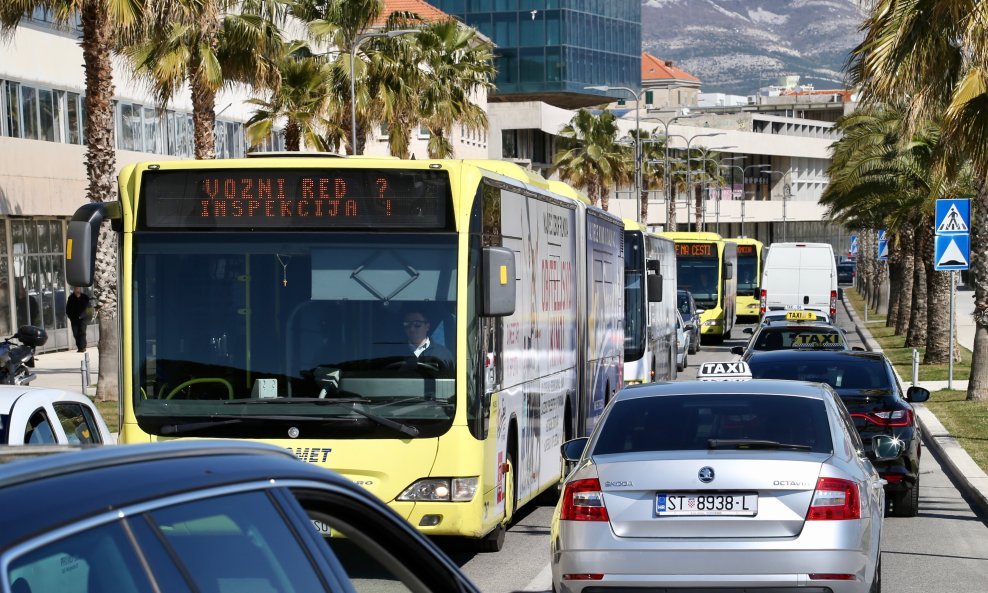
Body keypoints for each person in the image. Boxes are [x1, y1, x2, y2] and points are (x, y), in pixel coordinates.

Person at [65, 287, 90, 352]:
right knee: (75, 333)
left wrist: (79, 298)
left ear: (80, 290)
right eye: (76, 289)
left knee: (82, 332)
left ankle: (83, 347)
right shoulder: (71, 298)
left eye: (78, 289)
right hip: (74, 318)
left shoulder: (85, 297)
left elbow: (87, 306)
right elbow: (68, 308)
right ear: (74, 290)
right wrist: (69, 316)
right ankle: (79, 347)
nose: (77, 290)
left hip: (83, 318)